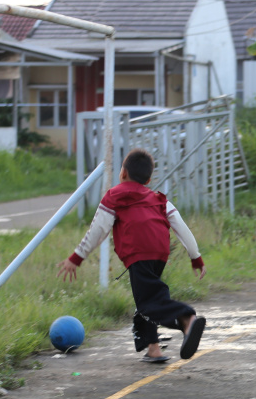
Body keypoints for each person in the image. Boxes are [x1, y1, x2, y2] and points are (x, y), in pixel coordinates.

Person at [57, 148, 207, 364]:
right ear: (148, 179)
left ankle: (186, 318)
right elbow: (180, 226)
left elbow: (98, 229)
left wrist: (77, 257)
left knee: (149, 302)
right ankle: (153, 348)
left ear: (123, 173)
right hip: (160, 252)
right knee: (147, 298)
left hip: (138, 252)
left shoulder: (114, 196)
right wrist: (195, 256)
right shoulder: (158, 199)